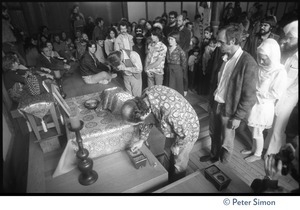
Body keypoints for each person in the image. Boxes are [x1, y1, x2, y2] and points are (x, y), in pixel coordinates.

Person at [200, 23, 258, 163]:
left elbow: (250, 96)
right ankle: (214, 156)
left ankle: (223, 165)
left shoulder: (248, 63)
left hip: (230, 109)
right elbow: (217, 82)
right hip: (216, 103)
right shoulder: (224, 57)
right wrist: (211, 101)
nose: (218, 45)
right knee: (214, 133)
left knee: (226, 141)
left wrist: (238, 117)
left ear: (232, 41)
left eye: (221, 42)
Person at [121, 85, 200, 182]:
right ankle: (166, 175)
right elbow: (147, 120)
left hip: (188, 130)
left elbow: (185, 133)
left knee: (179, 161)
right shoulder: (144, 99)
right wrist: (142, 140)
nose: (139, 124)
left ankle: (177, 182)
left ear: (141, 116)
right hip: (175, 125)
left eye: (137, 123)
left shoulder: (171, 112)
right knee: (168, 151)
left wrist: (178, 145)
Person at [241, 39, 287, 163]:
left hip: (264, 105)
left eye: (264, 59)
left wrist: (260, 92)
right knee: (251, 128)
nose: (261, 61)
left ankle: (257, 153)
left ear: (272, 56)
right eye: (259, 58)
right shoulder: (261, 67)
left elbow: (276, 93)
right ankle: (253, 148)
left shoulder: (279, 72)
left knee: (257, 131)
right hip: (254, 102)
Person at [265, 20, 298, 157]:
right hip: (277, 92)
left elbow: (295, 83)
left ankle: (272, 153)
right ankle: (267, 146)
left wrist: (282, 95)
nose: (287, 40)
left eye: (291, 38)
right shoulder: (287, 51)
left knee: (279, 125)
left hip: (288, 96)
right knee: (272, 122)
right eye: (287, 37)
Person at [166, 31, 187, 96]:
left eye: (172, 39)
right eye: (169, 39)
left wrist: (180, 70)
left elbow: (184, 63)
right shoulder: (167, 48)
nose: (170, 41)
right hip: (168, 69)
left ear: (176, 40)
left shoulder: (180, 50)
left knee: (177, 87)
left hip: (177, 70)